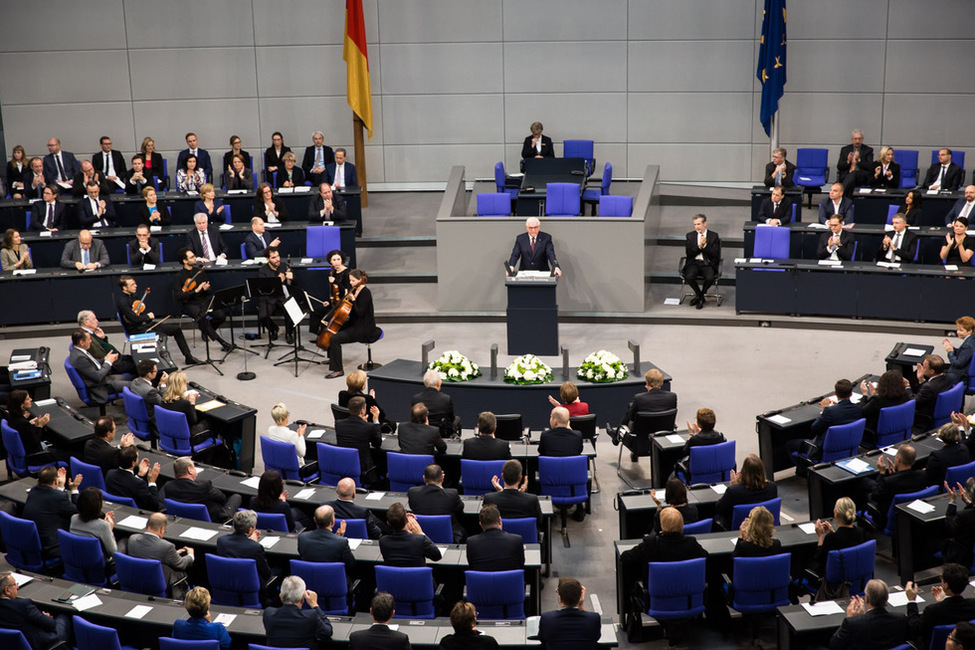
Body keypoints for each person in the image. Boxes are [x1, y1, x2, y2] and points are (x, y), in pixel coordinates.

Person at [117, 275, 200, 365]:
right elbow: (135, 319)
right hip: (137, 330)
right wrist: (148, 317)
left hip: (146, 325)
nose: (135, 286)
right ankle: (166, 363)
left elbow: (138, 313)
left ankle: (188, 357)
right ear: (125, 288)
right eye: (132, 284)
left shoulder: (133, 295)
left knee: (176, 329)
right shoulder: (122, 302)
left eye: (135, 283)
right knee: (162, 337)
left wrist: (147, 319)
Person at [906, 563, 975, 648]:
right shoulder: (973, 604)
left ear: (945, 585)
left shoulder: (932, 611)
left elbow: (915, 628)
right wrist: (943, 601)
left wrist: (911, 601)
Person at [325, 269, 378, 379]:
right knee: (331, 329)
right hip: (355, 323)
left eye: (353, 281)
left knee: (334, 339)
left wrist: (352, 300)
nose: (350, 283)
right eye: (350, 280)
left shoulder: (365, 292)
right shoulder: (354, 290)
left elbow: (360, 313)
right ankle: (333, 359)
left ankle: (338, 369)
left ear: (360, 280)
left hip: (364, 327)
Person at [174, 247, 230, 349]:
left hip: (203, 301)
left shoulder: (200, 271)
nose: (195, 258)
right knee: (202, 318)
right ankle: (222, 342)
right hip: (189, 304)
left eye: (194, 256)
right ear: (185, 261)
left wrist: (206, 289)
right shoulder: (179, 276)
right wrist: (195, 291)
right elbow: (178, 296)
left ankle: (206, 330)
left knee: (221, 315)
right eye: (191, 257)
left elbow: (207, 290)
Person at [128, 512, 194, 597]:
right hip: (155, 585)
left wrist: (173, 555)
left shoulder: (132, 539)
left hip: (135, 583)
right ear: (162, 529)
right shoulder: (167, 546)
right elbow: (181, 564)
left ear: (147, 525)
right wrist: (190, 555)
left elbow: (149, 554)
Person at [829, 579, 909, 650]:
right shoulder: (900, 618)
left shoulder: (852, 623)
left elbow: (834, 645)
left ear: (866, 598)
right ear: (887, 598)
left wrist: (850, 617)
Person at [0, 571, 72, 650]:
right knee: (63, 616)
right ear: (7, 590)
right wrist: (45, 617)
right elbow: (50, 624)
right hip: (41, 644)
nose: (17, 587)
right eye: (15, 584)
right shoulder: (23, 605)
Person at [159, 456, 241, 522]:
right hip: (215, 519)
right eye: (194, 467)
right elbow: (222, 498)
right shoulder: (204, 486)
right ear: (189, 470)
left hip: (184, 519)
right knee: (236, 497)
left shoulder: (168, 486)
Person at [22, 466, 81, 556]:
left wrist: (60, 487)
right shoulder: (58, 498)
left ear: (37, 481)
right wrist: (74, 488)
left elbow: (54, 500)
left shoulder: (33, 491)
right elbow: (79, 511)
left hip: (32, 543)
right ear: (56, 481)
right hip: (51, 547)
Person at [263, 575, 333, 649]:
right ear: (303, 599)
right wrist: (314, 604)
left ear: (281, 597)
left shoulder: (268, 614)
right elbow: (327, 632)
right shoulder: (311, 616)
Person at [867, 444, 926, 529]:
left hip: (887, 518)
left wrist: (882, 473)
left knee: (865, 489)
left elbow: (875, 496)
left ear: (898, 459)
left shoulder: (888, 482)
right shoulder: (922, 475)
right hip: (912, 515)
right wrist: (894, 475)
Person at [715, 454, 777, 530]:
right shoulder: (772, 487)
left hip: (740, 530)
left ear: (744, 472)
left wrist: (734, 486)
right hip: (764, 528)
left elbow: (719, 508)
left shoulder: (734, 491)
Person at [537, 577, 602, 650]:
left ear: (560, 599)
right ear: (580, 597)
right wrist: (581, 605)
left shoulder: (547, 619)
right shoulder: (593, 619)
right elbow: (596, 637)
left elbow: (542, 638)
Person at [611, 368, 677, 440]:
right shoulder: (672, 397)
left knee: (630, 407)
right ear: (662, 382)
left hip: (641, 437)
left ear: (647, 383)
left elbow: (632, 418)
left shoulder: (639, 398)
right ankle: (615, 435)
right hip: (664, 433)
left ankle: (616, 435)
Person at [408, 463, 466, 542]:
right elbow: (460, 509)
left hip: (420, 535)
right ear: (442, 478)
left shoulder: (413, 493)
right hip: (447, 536)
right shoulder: (452, 494)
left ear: (424, 479)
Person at [68, 329, 129, 404]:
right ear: (81, 342)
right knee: (134, 385)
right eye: (89, 339)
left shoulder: (79, 350)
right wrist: (108, 362)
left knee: (134, 378)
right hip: (102, 387)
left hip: (105, 379)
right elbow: (98, 377)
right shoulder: (79, 358)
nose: (91, 341)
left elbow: (94, 364)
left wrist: (105, 358)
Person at [811, 496, 867, 576]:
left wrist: (820, 536)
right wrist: (832, 532)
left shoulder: (831, 538)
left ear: (836, 513)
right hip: (855, 576)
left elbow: (820, 559)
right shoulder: (861, 532)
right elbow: (845, 541)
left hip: (835, 582)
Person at [334, 396, 383, 485]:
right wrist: (375, 421)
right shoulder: (369, 427)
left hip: (343, 467)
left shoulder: (338, 424)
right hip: (363, 470)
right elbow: (377, 443)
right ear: (362, 411)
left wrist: (363, 422)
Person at [485, 459, 544, 530]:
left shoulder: (489, 499)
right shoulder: (532, 500)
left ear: (502, 476)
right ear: (520, 478)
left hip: (499, 540)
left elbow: (486, 523)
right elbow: (539, 522)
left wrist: (501, 491)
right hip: (526, 540)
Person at [216, 510, 272, 584]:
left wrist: (250, 542)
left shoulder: (221, 541)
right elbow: (266, 574)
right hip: (249, 585)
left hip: (225, 582)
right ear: (250, 529)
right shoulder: (255, 548)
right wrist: (252, 543)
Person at [379, 502, 442, 566]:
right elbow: (437, 556)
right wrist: (420, 533)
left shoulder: (383, 541)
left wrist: (403, 517)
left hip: (394, 576)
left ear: (388, 523)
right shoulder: (419, 540)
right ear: (407, 521)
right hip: (417, 576)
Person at [466, 504, 524, 571]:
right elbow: (520, 565)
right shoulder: (516, 540)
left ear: (480, 524)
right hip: (509, 581)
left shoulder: (471, 543)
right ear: (500, 520)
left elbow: (472, 566)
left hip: (483, 581)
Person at [69, 487, 118, 565]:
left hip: (77, 562)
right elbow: (113, 552)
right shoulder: (103, 526)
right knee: (124, 541)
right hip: (100, 566)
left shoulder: (74, 518)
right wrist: (110, 529)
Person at [78, 309, 136, 375]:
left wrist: (103, 338)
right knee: (139, 364)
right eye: (94, 319)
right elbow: (98, 354)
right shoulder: (85, 337)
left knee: (135, 358)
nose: (97, 321)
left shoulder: (91, 333)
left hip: (115, 358)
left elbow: (103, 347)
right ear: (86, 322)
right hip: (111, 363)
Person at [257, 247, 295, 343]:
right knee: (262, 316)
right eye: (273, 257)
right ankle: (274, 329)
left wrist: (293, 278)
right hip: (269, 298)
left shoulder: (284, 266)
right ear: (267, 259)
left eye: (278, 256)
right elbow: (264, 289)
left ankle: (289, 333)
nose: (277, 259)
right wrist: (278, 282)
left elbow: (294, 285)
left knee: (291, 311)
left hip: (283, 296)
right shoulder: (262, 271)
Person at [297, 505, 354, 570]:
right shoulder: (342, 542)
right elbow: (351, 564)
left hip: (308, 577)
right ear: (333, 521)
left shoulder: (302, 538)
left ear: (314, 520)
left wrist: (337, 538)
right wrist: (339, 539)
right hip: (333, 578)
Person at [859, 368, 912, 437]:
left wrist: (865, 394)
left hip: (875, 436)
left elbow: (861, 412)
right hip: (901, 433)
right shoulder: (906, 397)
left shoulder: (877, 401)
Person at [106, 445, 162, 510]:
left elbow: (130, 482)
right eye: (138, 457)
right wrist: (152, 482)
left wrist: (139, 475)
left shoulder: (110, 474)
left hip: (117, 509)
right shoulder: (139, 484)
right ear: (133, 463)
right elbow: (154, 505)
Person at [682, 213, 720, 309]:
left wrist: (705, 246)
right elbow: (689, 253)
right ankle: (700, 296)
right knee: (689, 276)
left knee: (710, 278)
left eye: (698, 224)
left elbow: (715, 254)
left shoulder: (714, 236)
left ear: (705, 224)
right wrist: (699, 246)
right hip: (694, 262)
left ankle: (700, 296)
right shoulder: (690, 236)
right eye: (695, 224)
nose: (696, 227)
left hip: (707, 263)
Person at [5, 390, 55, 461]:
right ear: (21, 405)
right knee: (69, 454)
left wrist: (30, 424)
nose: (31, 399)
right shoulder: (23, 423)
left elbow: (25, 432)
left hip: (21, 454)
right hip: (34, 457)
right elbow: (35, 442)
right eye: (28, 399)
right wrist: (40, 426)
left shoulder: (10, 417)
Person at [411, 370, 460, 435]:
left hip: (420, 430)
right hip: (441, 432)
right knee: (457, 419)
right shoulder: (446, 399)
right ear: (439, 383)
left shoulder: (415, 399)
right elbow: (451, 418)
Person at [160, 370, 208, 434]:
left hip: (169, 433)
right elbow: (193, 422)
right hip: (186, 436)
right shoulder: (184, 403)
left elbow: (162, 391)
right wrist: (192, 403)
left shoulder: (163, 397)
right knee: (209, 421)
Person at [915, 354, 955, 430]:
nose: (922, 368)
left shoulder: (929, 387)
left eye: (924, 367)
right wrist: (921, 380)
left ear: (932, 371)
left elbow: (915, 403)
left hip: (925, 417)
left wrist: (907, 388)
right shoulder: (947, 378)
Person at [127, 360, 166, 432]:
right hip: (153, 423)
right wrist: (163, 385)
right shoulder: (150, 391)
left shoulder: (135, 382)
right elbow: (164, 403)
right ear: (149, 374)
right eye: (155, 371)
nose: (157, 373)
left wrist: (159, 387)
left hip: (138, 418)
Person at [927, 423, 971, 487]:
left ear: (941, 435)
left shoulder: (937, 455)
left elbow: (929, 476)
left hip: (944, 486)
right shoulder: (964, 448)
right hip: (962, 483)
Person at [944, 478, 975, 568]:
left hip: (965, 556)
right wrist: (969, 504)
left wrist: (952, 501)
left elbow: (950, 527)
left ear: (971, 496)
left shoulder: (963, 515)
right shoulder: (966, 514)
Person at [836, 130, 875, 195]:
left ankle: (841, 194)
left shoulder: (868, 150)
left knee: (854, 173)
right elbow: (839, 166)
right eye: (855, 139)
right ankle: (847, 199)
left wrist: (859, 161)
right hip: (846, 175)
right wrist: (848, 161)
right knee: (851, 179)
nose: (857, 141)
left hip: (861, 176)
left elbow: (870, 166)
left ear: (862, 140)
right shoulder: (845, 149)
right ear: (852, 139)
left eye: (859, 139)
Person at [944, 316, 975, 385]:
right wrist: (952, 348)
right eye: (957, 329)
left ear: (969, 331)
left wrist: (950, 352)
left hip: (959, 375)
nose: (958, 332)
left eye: (961, 330)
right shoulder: (972, 340)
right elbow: (964, 354)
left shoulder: (968, 345)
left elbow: (957, 363)